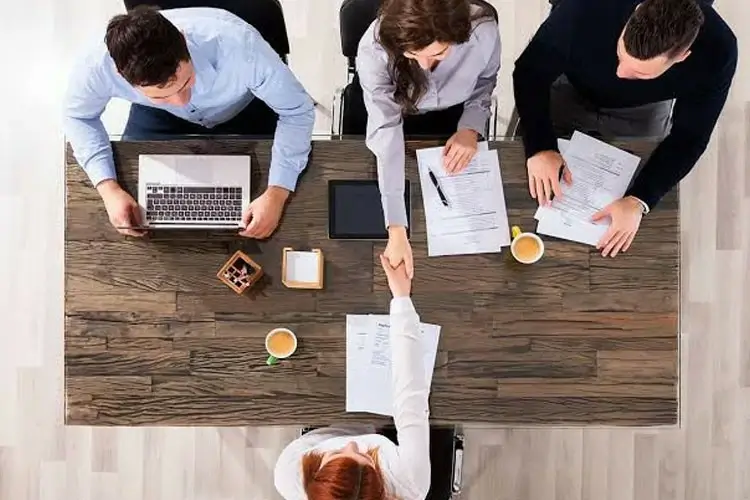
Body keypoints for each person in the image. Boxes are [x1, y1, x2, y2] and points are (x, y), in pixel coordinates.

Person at [64, 6, 315, 239]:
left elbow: (297, 111)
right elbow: (78, 116)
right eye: (162, 95)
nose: (181, 100)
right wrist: (108, 189)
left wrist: (277, 192)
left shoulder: (241, 47)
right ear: (120, 75)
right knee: (140, 207)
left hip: (245, 108)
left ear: (183, 40)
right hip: (159, 117)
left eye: (186, 82)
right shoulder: (97, 66)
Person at [513, 0, 737, 257]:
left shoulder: (718, 51)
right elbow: (530, 72)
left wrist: (639, 200)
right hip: (569, 87)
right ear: (634, 12)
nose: (619, 73)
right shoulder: (582, 9)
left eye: (640, 73)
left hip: (642, 109)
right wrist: (540, 146)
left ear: (682, 56)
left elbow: (690, 136)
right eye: (621, 55)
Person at [357, 0, 501, 277]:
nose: (424, 65)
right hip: (398, 110)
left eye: (439, 52)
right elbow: (386, 130)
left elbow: (485, 81)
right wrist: (396, 227)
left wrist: (470, 128)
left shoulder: (483, 31)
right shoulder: (374, 49)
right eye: (413, 54)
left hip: (456, 114)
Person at [273, 255, 431, 500]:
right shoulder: (411, 483)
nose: (351, 445)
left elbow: (317, 440)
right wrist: (401, 298)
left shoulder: (289, 474)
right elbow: (411, 399)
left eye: (334, 455)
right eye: (365, 457)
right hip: (378, 426)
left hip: (332, 428)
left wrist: (345, 437)